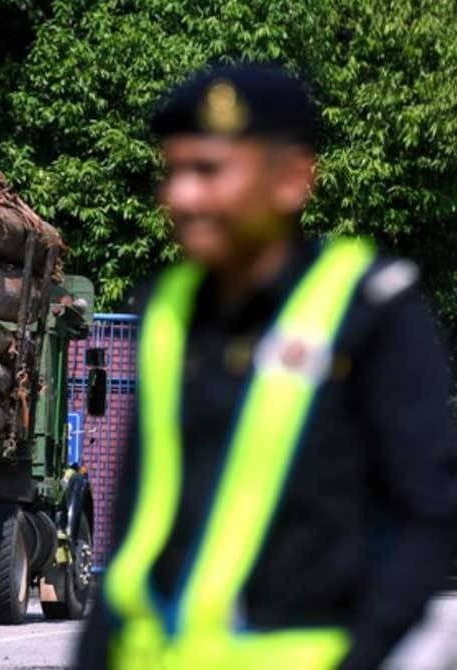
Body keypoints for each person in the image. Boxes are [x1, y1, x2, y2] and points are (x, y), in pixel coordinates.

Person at [76, 62, 457, 670]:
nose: (180, 196)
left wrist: (368, 654)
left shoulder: (372, 307)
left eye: (208, 171)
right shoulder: (166, 309)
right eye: (173, 171)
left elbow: (425, 515)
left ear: (290, 179)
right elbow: (136, 527)